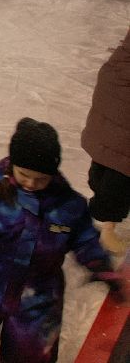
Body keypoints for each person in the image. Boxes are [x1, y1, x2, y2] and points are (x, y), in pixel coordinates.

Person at [0, 119, 122, 363]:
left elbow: (85, 240)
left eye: (41, 178)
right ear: (12, 166)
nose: (32, 183)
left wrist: (102, 268)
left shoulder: (68, 205)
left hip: (37, 299)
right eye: (24, 175)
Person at [84, 31, 130, 255]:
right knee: (119, 173)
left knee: (109, 161)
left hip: (113, 107)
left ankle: (105, 218)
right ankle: (107, 229)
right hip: (122, 123)